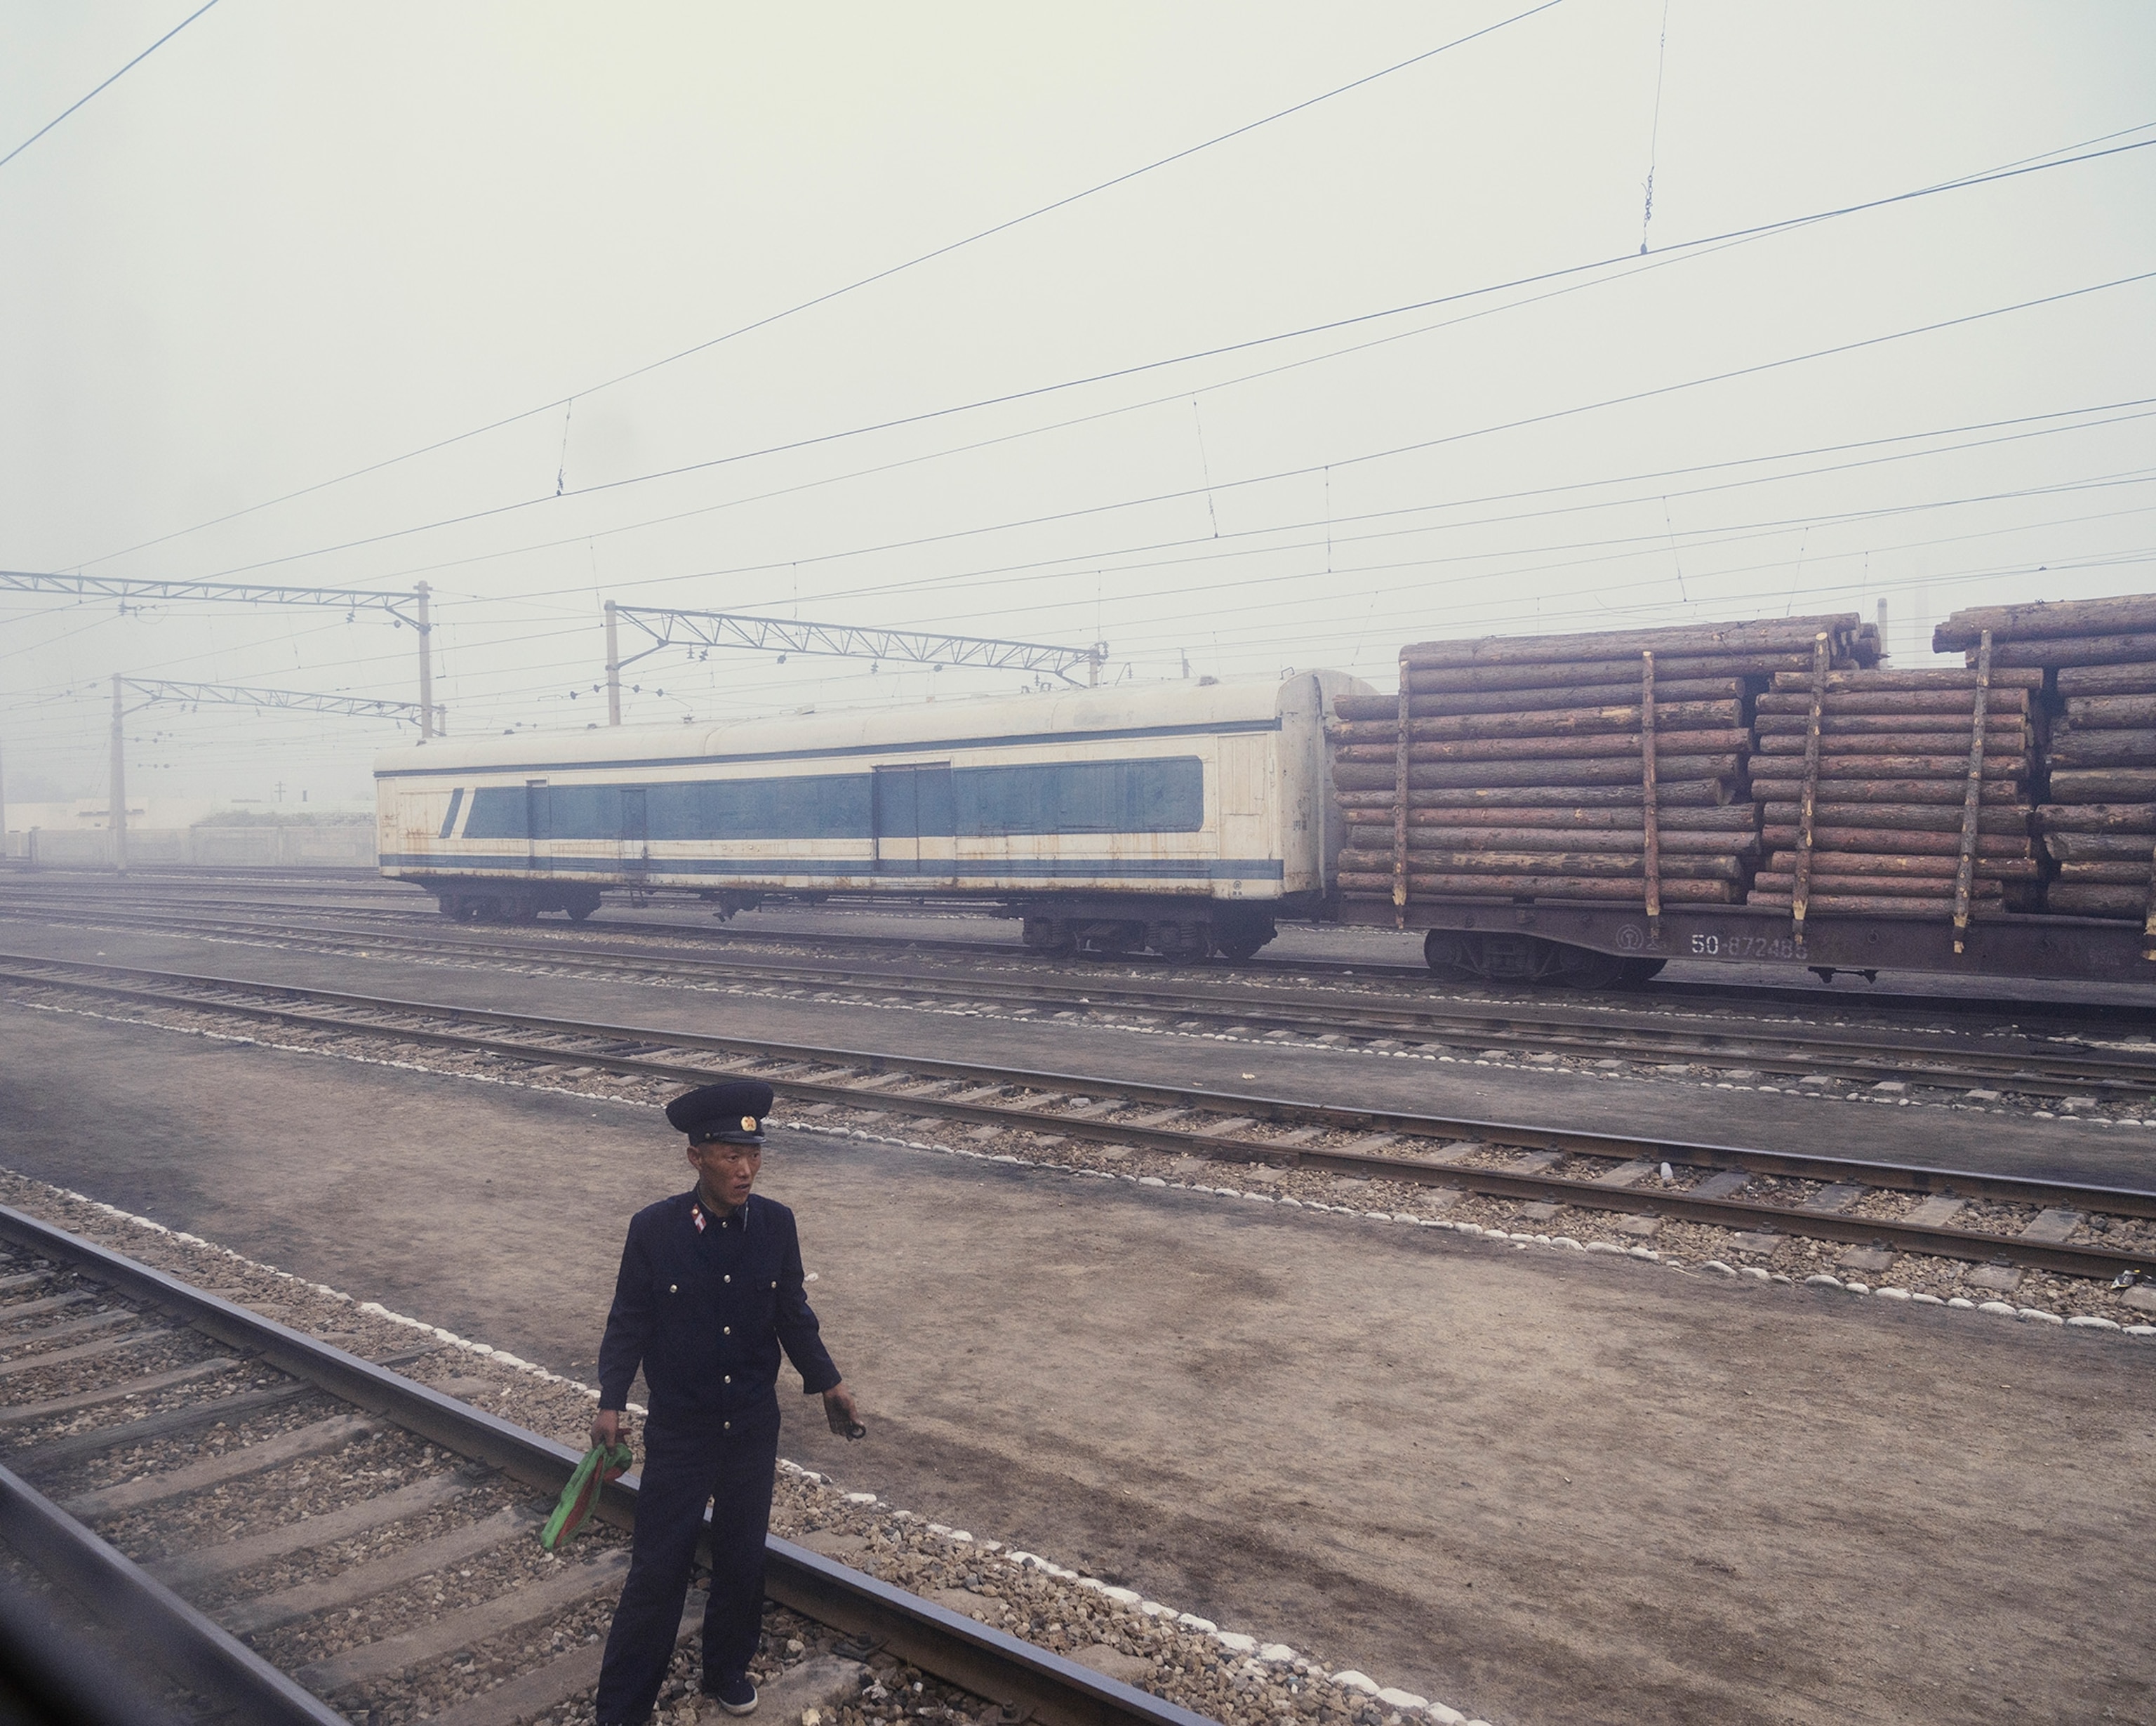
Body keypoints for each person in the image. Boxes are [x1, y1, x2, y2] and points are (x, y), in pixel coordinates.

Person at [590, 1078, 860, 1725]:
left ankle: (726, 1667)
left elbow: (793, 1312)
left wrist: (828, 1380)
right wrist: (611, 1399)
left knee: (743, 1558)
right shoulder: (654, 1230)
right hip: (683, 1428)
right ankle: (623, 1707)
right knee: (659, 1570)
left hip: (751, 1427)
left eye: (754, 1154)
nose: (746, 1169)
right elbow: (628, 1318)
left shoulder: (776, 1224)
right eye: (730, 1155)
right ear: (696, 1157)